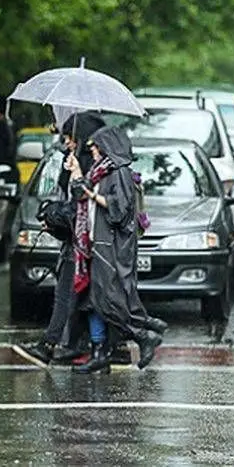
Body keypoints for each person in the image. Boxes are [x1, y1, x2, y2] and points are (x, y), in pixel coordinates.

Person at [11, 113, 105, 368]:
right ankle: (85, 347)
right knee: (82, 298)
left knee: (68, 295)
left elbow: (80, 206)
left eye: (71, 138)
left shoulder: (91, 167)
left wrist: (75, 176)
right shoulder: (72, 161)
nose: (67, 143)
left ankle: (50, 346)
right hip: (75, 241)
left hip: (84, 245)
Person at [69, 125, 162, 374]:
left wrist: (90, 193)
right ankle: (100, 351)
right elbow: (83, 193)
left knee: (107, 299)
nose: (93, 152)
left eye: (95, 147)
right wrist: (77, 172)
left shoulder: (118, 172)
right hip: (94, 243)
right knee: (92, 300)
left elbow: (118, 210)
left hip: (109, 247)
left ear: (107, 147)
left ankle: (143, 334)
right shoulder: (100, 171)